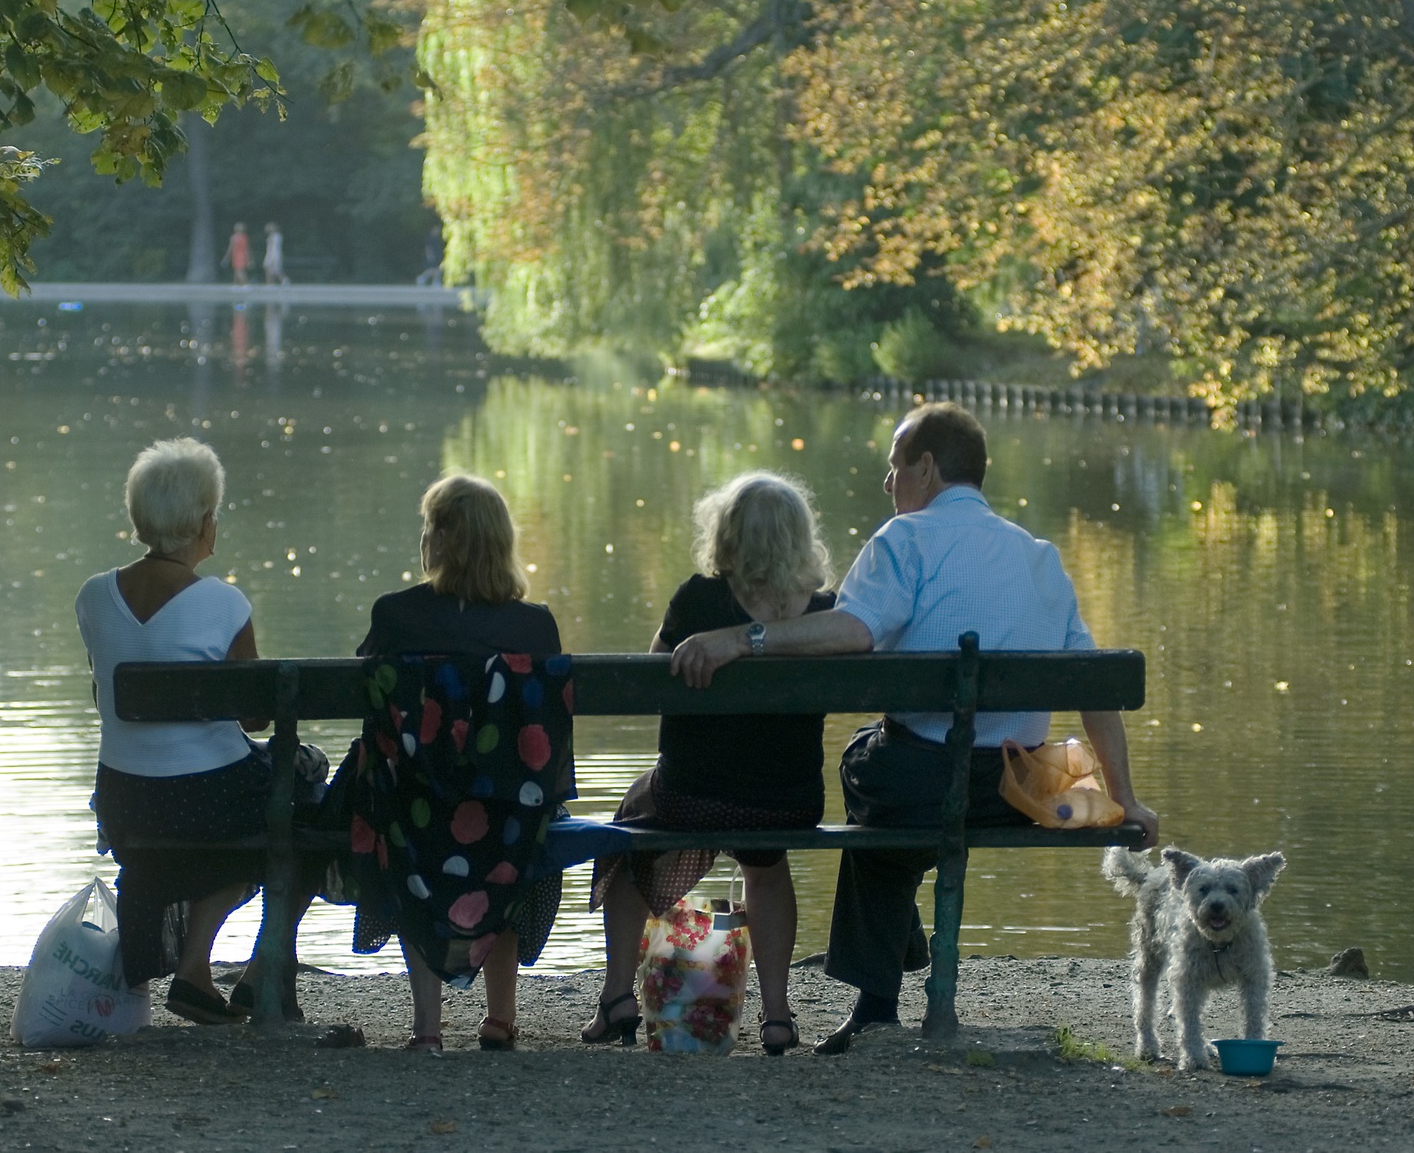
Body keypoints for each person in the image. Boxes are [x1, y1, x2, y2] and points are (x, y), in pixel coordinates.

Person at [668, 402, 1161, 1054]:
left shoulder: (903, 540)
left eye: (895, 465)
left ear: (926, 467)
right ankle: (882, 986)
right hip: (1022, 791)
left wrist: (744, 637)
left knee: (868, 775)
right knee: (880, 783)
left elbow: (853, 631)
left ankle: (875, 1005)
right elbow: (1095, 683)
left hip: (921, 781)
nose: (888, 482)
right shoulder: (1040, 557)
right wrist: (1124, 796)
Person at [75, 437, 327, 1025]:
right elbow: (256, 718)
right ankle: (262, 966)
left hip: (128, 802)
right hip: (211, 802)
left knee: (268, 798)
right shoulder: (224, 603)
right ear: (202, 523)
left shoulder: (92, 597)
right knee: (304, 800)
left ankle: (194, 974)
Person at [580, 472, 834, 1055]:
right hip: (786, 802)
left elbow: (651, 680)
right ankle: (775, 1016)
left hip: (690, 793)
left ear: (726, 535)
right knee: (766, 868)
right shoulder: (824, 613)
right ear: (800, 540)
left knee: (626, 838)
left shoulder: (697, 598)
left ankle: (618, 995)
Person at [342, 474, 565, 1052]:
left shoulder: (396, 617)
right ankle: (499, 1019)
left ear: (439, 540)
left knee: (406, 819)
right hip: (509, 821)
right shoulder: (534, 625)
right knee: (521, 826)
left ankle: (428, 1029)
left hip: (414, 813)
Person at [222, 222, 250, 287]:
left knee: (238, 271)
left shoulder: (234, 237)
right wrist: (248, 258)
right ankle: (236, 284)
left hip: (237, 254)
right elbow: (247, 249)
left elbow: (231, 248)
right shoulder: (244, 237)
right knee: (239, 270)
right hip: (242, 254)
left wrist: (226, 256)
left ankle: (244, 284)